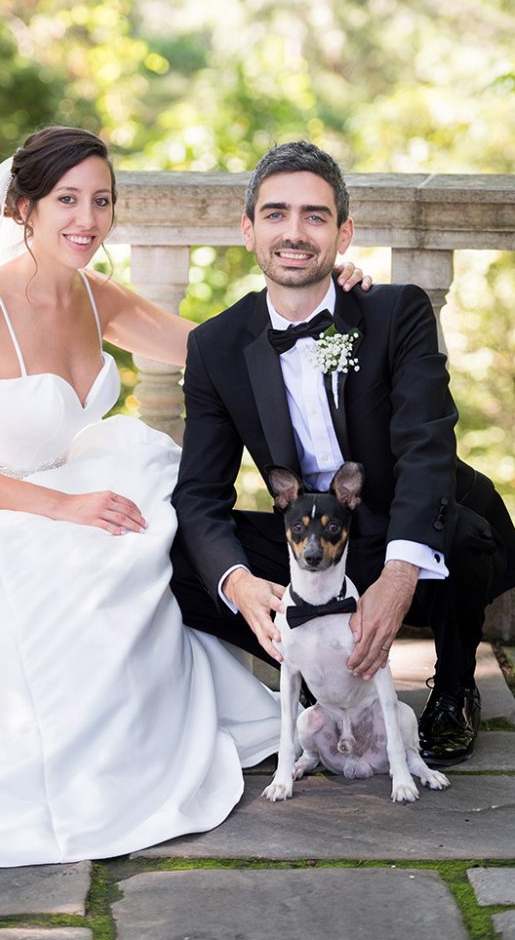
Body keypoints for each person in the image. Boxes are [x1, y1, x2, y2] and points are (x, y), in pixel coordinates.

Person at [0, 126, 368, 871]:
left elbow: (219, 346)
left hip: (77, 486)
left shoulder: (94, 294)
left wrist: (331, 301)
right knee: (104, 564)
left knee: (151, 526)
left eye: (101, 201)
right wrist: (60, 509)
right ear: (22, 206)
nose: (86, 219)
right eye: (66, 201)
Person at [171, 139, 515, 768]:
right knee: (175, 557)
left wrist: (401, 572)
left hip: (400, 516)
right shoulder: (216, 345)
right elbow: (199, 494)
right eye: (275, 214)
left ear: (343, 232)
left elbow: (427, 446)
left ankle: (457, 687)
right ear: (248, 231)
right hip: (312, 530)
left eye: (315, 215)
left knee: (458, 537)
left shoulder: (394, 311)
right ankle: (300, 678)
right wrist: (241, 583)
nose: (294, 232)